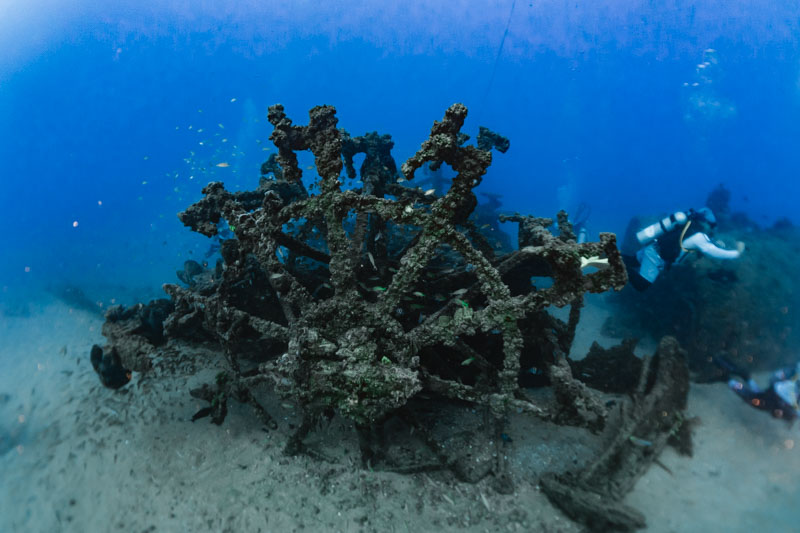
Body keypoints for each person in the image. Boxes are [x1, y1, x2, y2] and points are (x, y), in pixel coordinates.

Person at [622, 207, 744, 291]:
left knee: (633, 261)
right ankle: (617, 264)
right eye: (711, 228)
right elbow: (713, 252)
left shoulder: (688, 225)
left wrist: (714, 242)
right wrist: (737, 253)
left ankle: (606, 259)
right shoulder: (699, 237)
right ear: (707, 224)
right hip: (656, 257)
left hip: (653, 247)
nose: (711, 232)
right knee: (641, 285)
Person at [722, 359, 800, 422]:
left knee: (758, 396)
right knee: (751, 398)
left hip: (779, 391)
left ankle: (746, 378)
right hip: (779, 396)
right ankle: (728, 379)